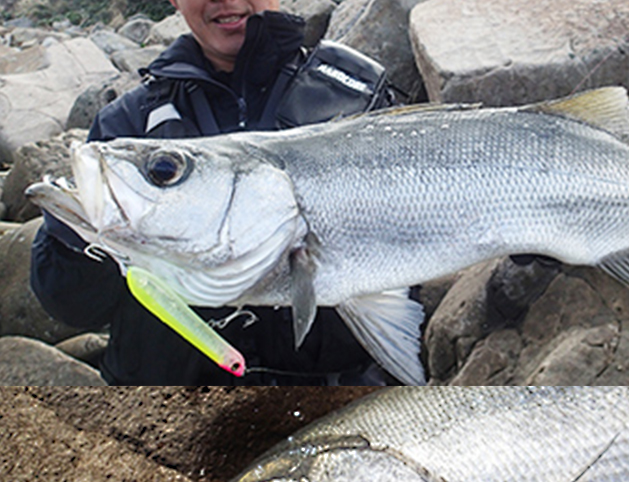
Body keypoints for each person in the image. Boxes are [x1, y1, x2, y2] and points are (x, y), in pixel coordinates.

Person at [31, 0, 393, 385]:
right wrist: (73, 237)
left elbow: (406, 281)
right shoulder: (127, 126)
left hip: (331, 400)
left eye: (164, 172)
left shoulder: (359, 101)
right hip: (171, 413)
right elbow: (71, 306)